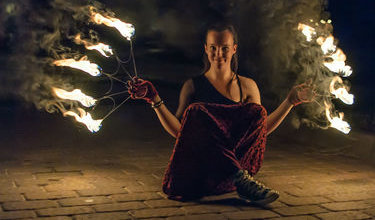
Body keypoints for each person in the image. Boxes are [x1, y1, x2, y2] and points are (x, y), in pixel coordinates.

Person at [127, 23, 315, 206]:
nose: (218, 54)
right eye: (213, 48)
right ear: (206, 49)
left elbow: (259, 130)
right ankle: (240, 179)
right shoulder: (192, 86)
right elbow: (180, 133)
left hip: (231, 177)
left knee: (258, 111)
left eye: (224, 48)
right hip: (199, 174)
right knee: (196, 111)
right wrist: (153, 98)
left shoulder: (248, 86)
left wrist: (290, 101)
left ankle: (238, 177)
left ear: (234, 49)